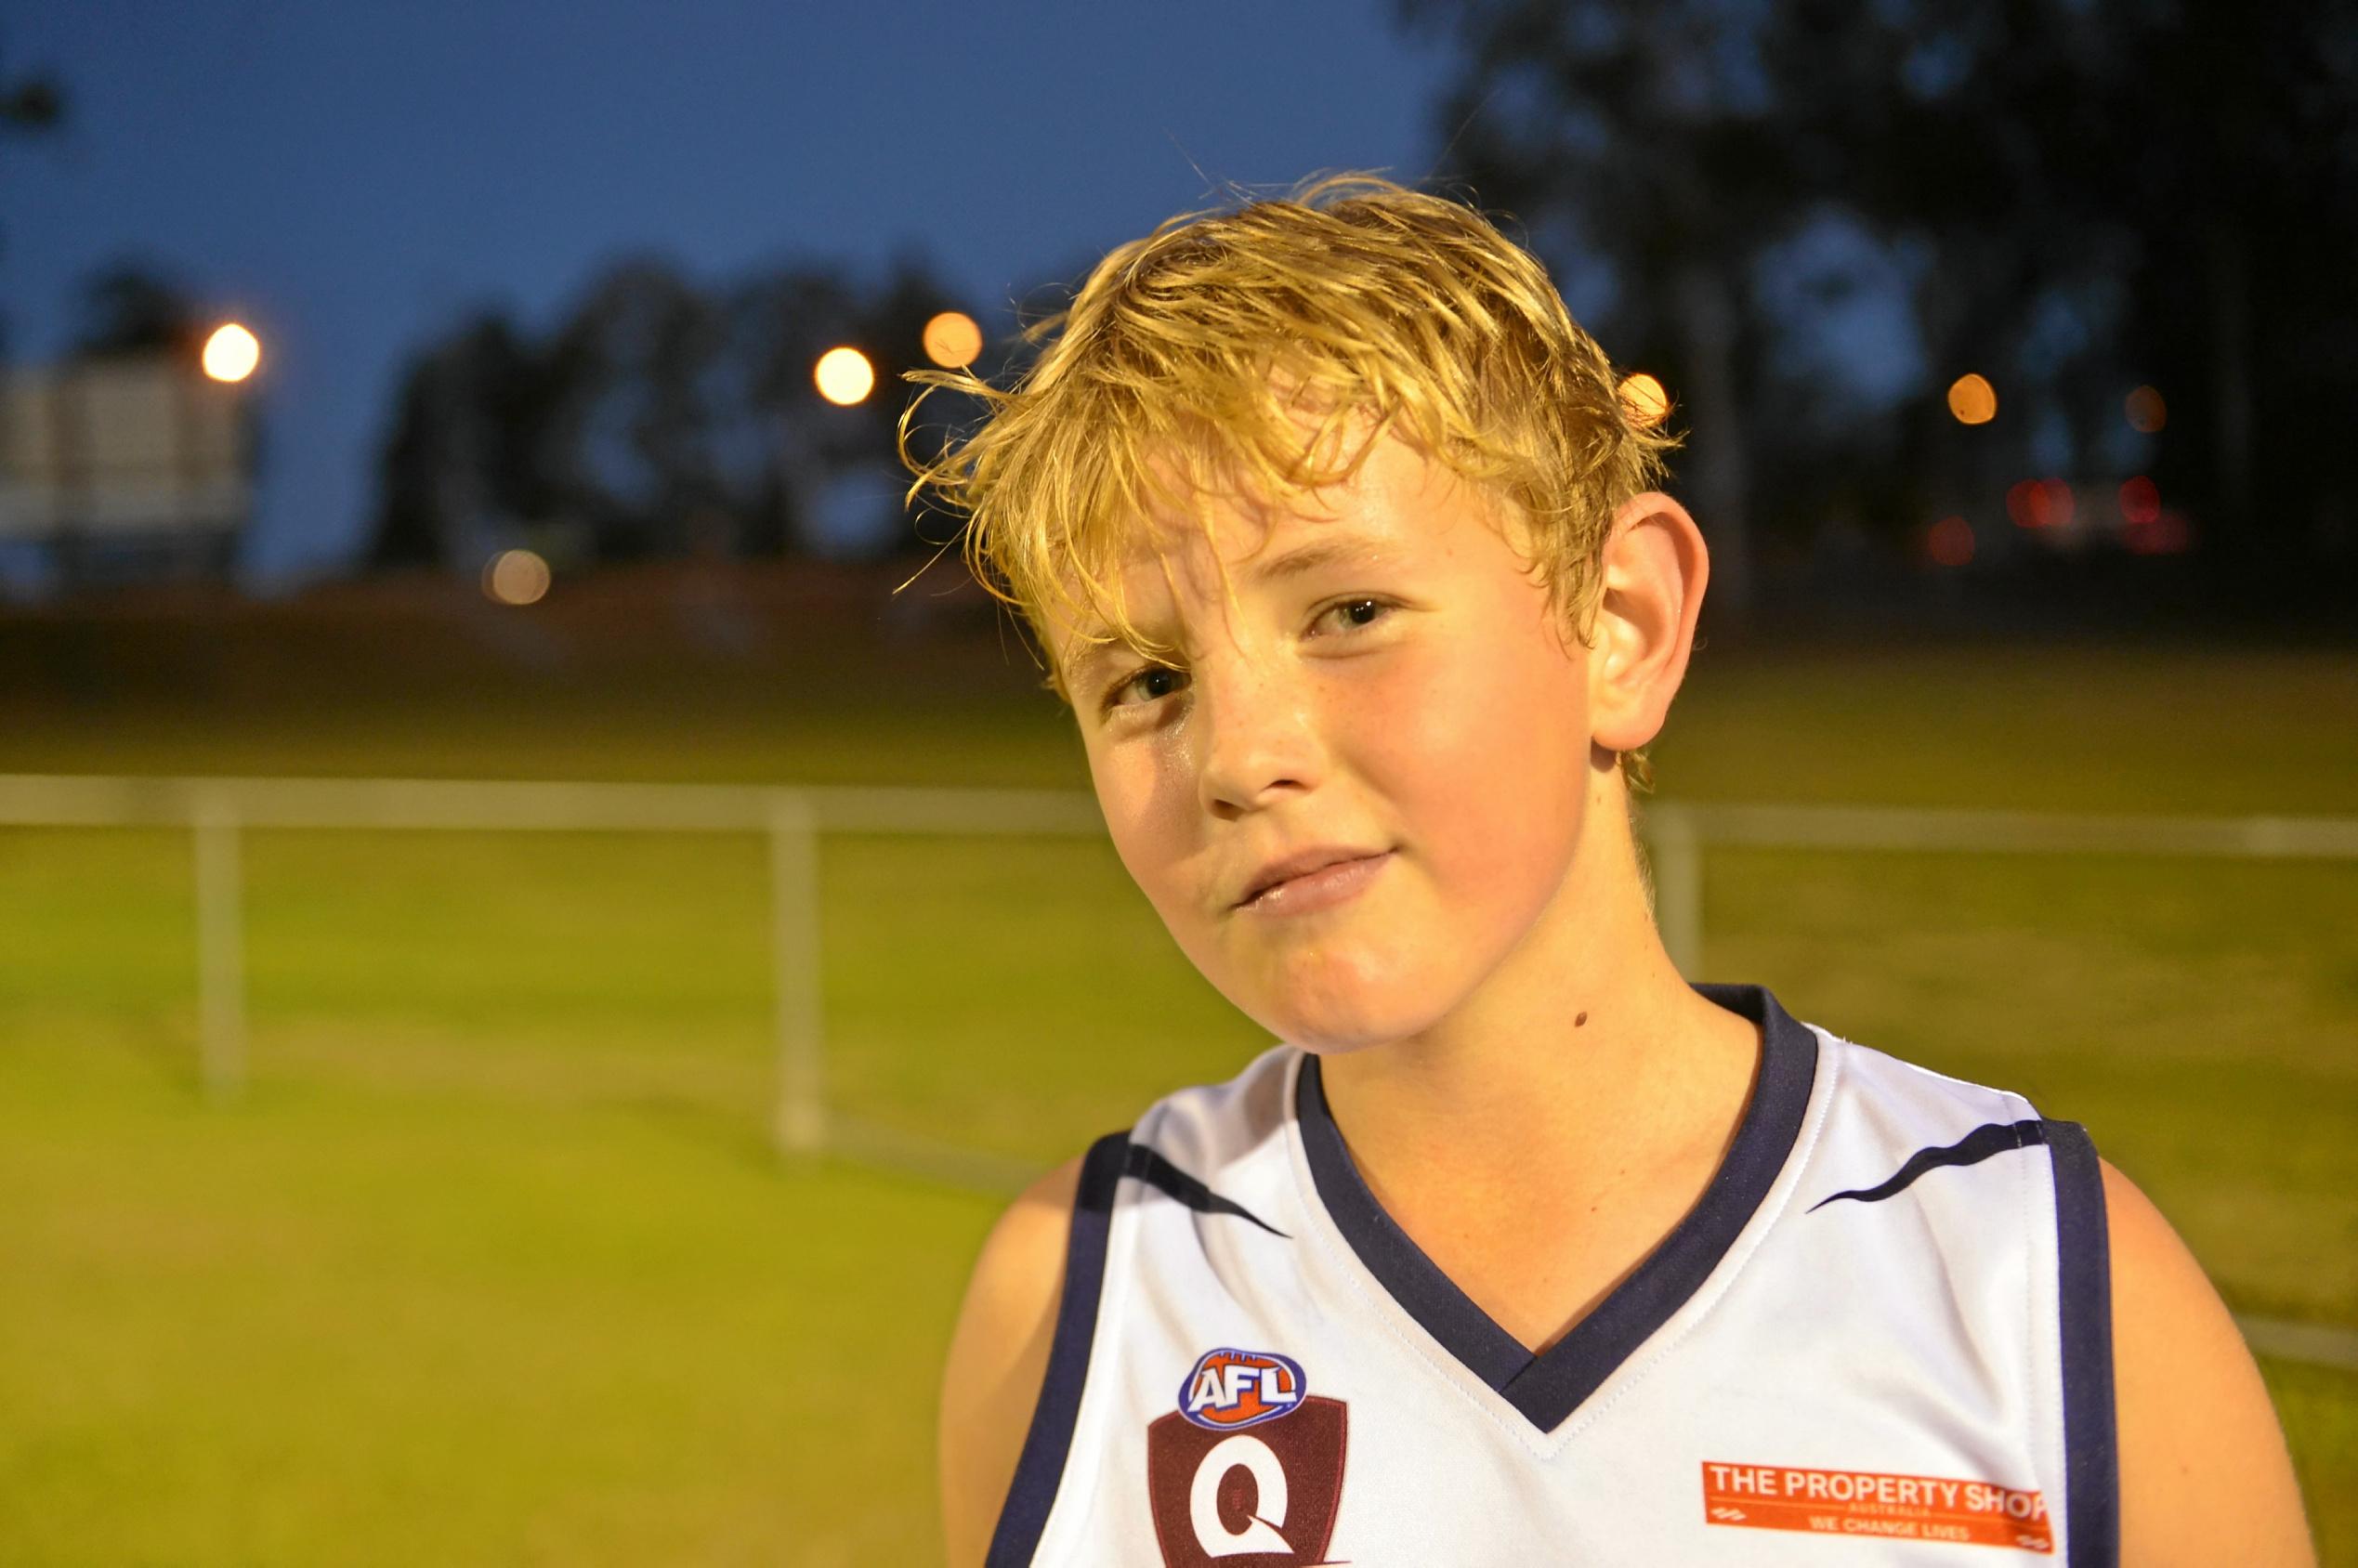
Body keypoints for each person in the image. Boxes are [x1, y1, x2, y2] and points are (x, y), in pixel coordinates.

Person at [898, 173, 2313, 1566]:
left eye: (1348, 610)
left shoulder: (2039, 1282)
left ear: (1621, 626)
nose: (1234, 753)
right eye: (1145, 680)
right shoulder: (1077, 1294)